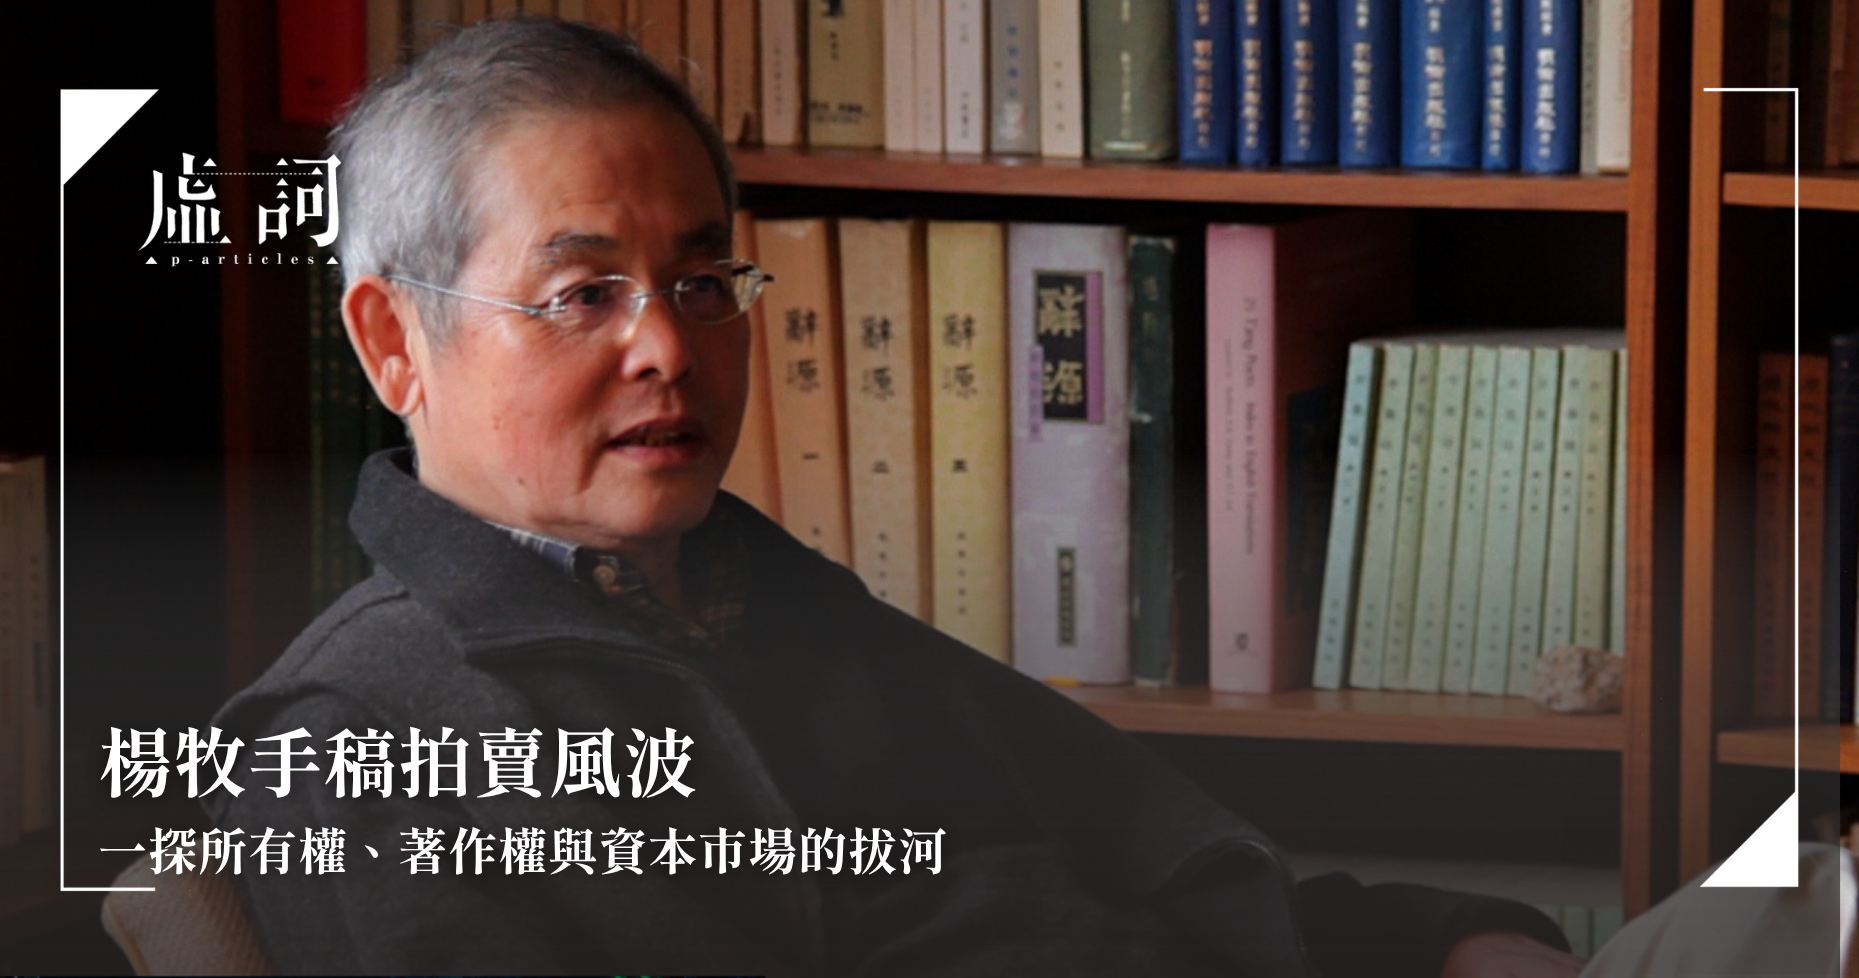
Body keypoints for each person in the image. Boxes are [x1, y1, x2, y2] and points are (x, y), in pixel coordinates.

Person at [204, 17, 1587, 976]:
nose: (668, 345)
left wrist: (1441, 943)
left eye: (703, 279)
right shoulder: (352, 746)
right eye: (581, 294)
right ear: (394, 342)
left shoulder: (772, 605)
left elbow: (1150, 870)